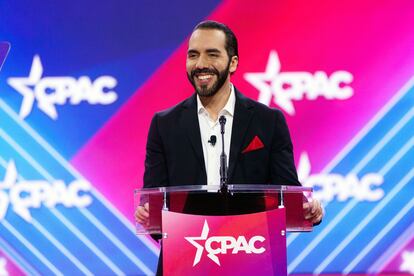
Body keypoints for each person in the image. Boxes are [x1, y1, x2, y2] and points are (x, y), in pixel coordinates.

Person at [135, 20, 323, 274]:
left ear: (232, 62)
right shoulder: (164, 124)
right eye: (193, 55)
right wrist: (150, 217)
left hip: (250, 263)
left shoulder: (268, 121)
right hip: (184, 264)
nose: (201, 63)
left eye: (212, 54)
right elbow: (155, 202)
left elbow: (288, 195)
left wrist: (308, 209)